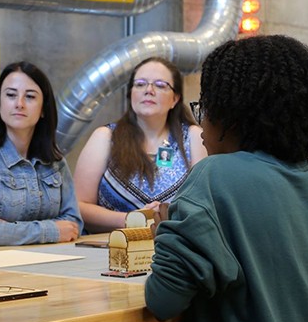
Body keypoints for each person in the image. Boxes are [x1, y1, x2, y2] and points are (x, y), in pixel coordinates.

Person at [144, 35, 308, 322]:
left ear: (233, 113)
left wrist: (165, 235)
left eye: (206, 106)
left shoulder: (215, 176)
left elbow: (163, 301)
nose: (201, 124)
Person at [73, 57, 207, 233]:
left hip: (174, 249)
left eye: (160, 85)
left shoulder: (193, 136)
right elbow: (79, 206)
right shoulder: (105, 137)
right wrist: (132, 219)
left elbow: (205, 205)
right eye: (140, 84)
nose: (149, 90)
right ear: (130, 94)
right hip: (113, 249)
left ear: (175, 98)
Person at [0, 61, 83, 246]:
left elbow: (74, 224)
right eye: (10, 95)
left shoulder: (56, 162)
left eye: (30, 97)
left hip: (54, 264)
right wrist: (51, 230)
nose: (19, 104)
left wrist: (7, 230)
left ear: (43, 110)